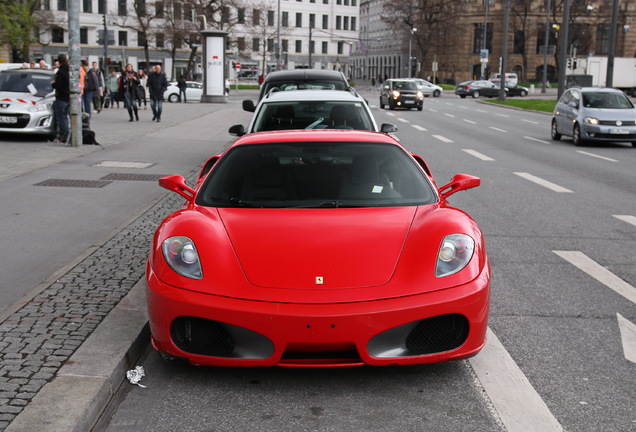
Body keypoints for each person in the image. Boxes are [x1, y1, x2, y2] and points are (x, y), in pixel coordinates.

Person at [51, 54, 70, 144]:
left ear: (59, 62)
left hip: (61, 97)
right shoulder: (70, 70)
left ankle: (66, 134)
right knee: (65, 116)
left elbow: (58, 85)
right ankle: (65, 134)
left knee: (61, 117)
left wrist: (53, 84)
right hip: (69, 97)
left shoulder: (60, 72)